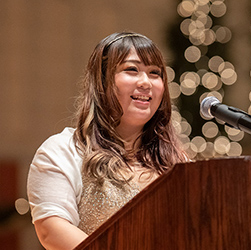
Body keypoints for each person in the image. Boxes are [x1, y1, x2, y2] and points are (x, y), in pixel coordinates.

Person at [27, 31, 188, 250]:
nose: (146, 82)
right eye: (132, 70)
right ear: (102, 81)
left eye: (155, 73)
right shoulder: (62, 150)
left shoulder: (177, 162)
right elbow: (52, 231)